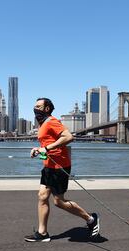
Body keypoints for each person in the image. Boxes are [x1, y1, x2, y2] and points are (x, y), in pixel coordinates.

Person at [24, 98, 100, 242]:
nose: (35, 109)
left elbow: (68, 137)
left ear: (47, 109)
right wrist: (38, 150)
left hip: (59, 167)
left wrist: (46, 148)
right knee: (42, 196)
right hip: (48, 166)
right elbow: (48, 142)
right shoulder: (43, 123)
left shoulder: (52, 121)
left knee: (59, 202)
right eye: (35, 106)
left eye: (38, 106)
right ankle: (42, 233)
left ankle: (91, 219)